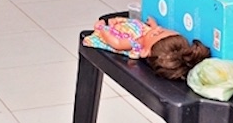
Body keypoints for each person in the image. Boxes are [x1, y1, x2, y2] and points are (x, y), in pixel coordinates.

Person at [82, 17, 211, 79]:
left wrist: (101, 28)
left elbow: (116, 43)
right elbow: (153, 28)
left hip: (111, 31)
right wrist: (153, 25)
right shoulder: (149, 32)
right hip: (123, 24)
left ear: (144, 52)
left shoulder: (134, 43)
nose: (157, 29)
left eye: (157, 33)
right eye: (162, 30)